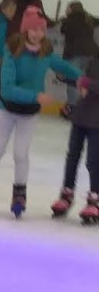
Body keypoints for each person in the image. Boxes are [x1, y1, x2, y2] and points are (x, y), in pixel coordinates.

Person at [0, 8, 86, 218]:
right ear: (25, 30)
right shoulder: (12, 50)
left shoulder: (45, 52)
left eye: (40, 30)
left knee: (21, 154)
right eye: (32, 29)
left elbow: (65, 67)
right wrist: (36, 96)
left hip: (29, 113)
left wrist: (85, 79)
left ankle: (20, 194)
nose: (36, 33)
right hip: (7, 109)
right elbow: (7, 88)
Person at [50, 57, 99, 224]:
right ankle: (67, 193)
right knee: (72, 157)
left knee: (94, 161)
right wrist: (74, 81)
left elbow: (88, 83)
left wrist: (87, 83)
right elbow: (83, 81)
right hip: (81, 117)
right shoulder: (93, 61)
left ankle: (94, 198)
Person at [59, 1, 96, 118]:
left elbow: (62, 30)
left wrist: (62, 20)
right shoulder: (88, 19)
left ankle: (73, 109)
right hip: (92, 54)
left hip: (75, 54)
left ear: (71, 9)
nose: (65, 10)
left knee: (72, 82)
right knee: (85, 83)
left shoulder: (69, 20)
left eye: (67, 8)